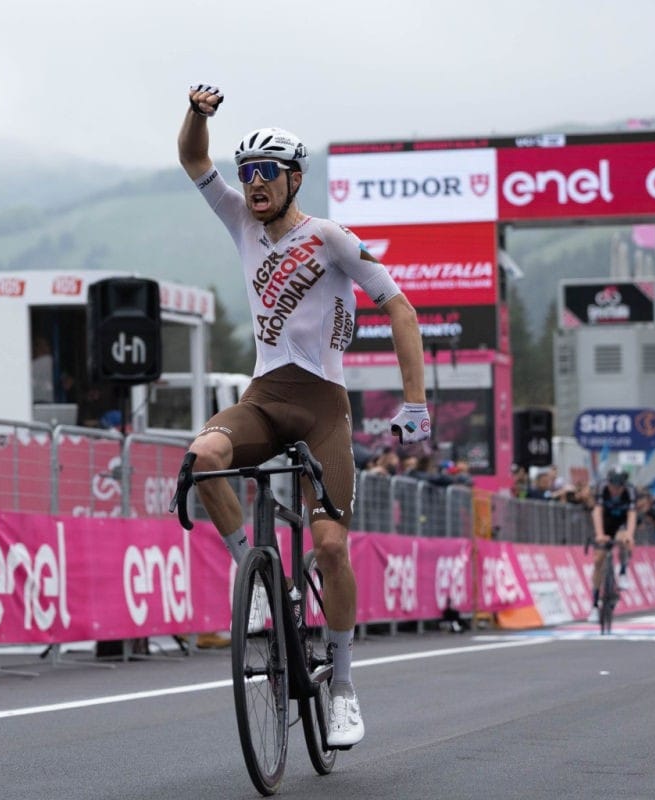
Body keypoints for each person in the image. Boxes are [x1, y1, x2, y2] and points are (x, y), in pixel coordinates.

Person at [178, 83, 430, 748]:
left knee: (329, 547)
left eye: (267, 173)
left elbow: (400, 309)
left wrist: (416, 406)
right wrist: (197, 116)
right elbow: (192, 161)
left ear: (293, 179)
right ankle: (253, 576)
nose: (253, 184)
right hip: (264, 397)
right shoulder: (239, 222)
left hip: (322, 408)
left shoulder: (332, 239)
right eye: (248, 173)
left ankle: (343, 685)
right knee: (202, 458)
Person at [588, 468, 637, 623]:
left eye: (619, 487)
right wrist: (599, 535)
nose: (615, 490)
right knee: (598, 561)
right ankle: (595, 605)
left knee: (624, 538)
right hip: (605, 522)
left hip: (621, 523)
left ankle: (623, 571)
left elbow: (632, 515)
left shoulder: (630, 491)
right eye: (613, 486)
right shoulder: (602, 487)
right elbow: (596, 512)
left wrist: (630, 534)